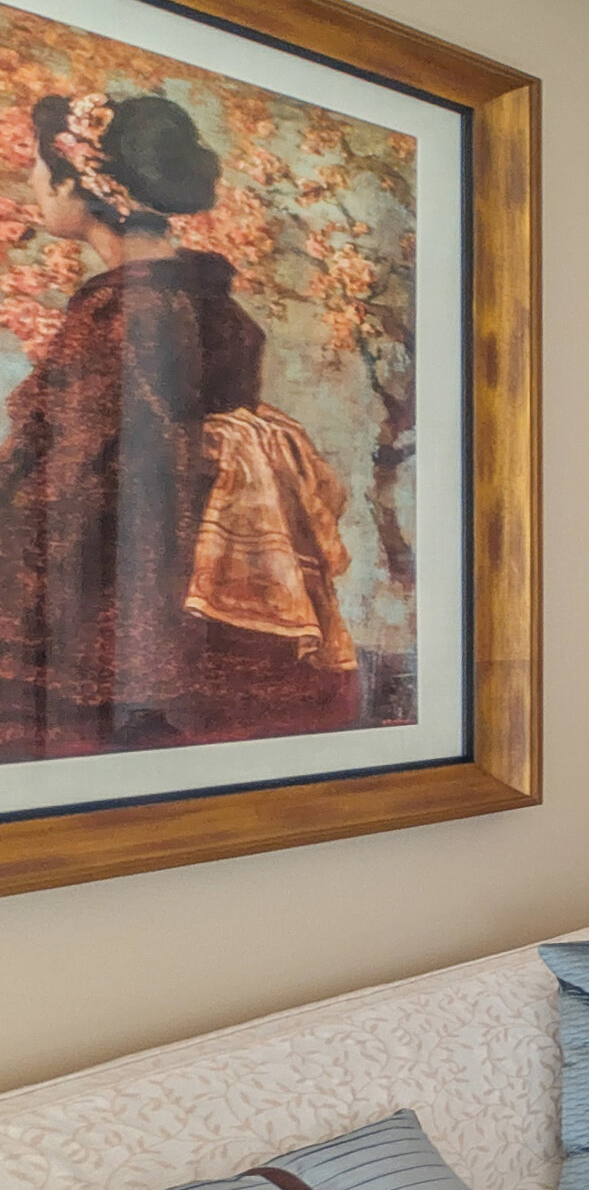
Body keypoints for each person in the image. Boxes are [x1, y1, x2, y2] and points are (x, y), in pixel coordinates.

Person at [0, 91, 361, 761]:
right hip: (182, 574)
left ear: (85, 182)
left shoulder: (123, 313)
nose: (32, 184)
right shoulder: (206, 299)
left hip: (136, 596)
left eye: (43, 171)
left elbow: (74, 478)